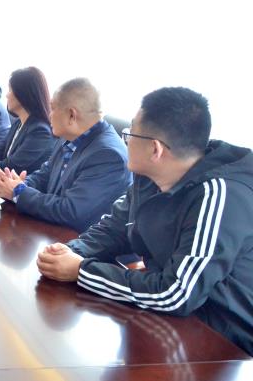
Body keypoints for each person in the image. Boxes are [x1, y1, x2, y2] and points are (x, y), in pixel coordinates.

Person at [37, 87, 253, 355]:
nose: (125, 140)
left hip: (225, 345)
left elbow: (176, 294)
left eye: (130, 134)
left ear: (155, 149)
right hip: (169, 323)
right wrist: (71, 251)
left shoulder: (218, 195)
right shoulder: (150, 177)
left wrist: (81, 271)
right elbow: (115, 228)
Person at [0, 78, 131, 232]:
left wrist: (19, 192)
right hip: (51, 229)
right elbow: (44, 175)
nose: (49, 115)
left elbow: (71, 211)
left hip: (76, 240)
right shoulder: (69, 137)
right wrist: (15, 185)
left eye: (53, 109)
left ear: (71, 115)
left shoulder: (107, 155)